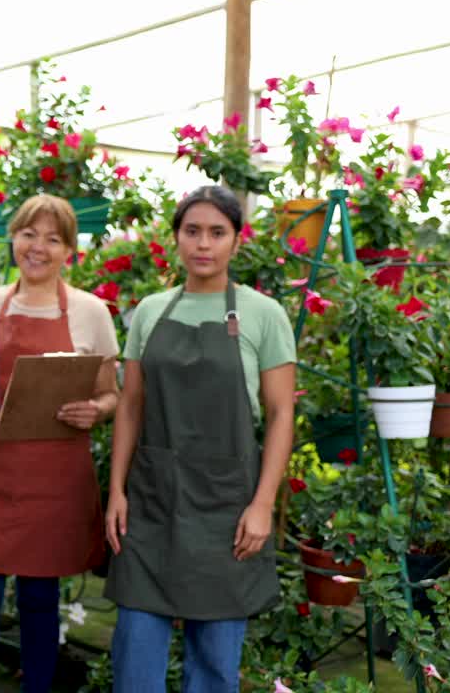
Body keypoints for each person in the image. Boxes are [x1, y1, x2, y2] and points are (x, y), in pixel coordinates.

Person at [104, 185, 296, 692]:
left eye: (217, 232)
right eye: (192, 231)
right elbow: (130, 405)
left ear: (237, 240)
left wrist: (262, 504)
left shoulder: (263, 315)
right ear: (177, 239)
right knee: (134, 660)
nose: (203, 244)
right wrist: (116, 492)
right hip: (152, 505)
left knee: (214, 667)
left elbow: (281, 414)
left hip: (227, 510)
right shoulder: (150, 311)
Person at [0, 194, 121, 693]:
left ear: (70, 251)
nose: (38, 247)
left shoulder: (92, 312)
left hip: (54, 480)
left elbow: (112, 393)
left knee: (38, 597)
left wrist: (97, 410)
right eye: (29, 234)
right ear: (14, 239)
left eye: (53, 238)